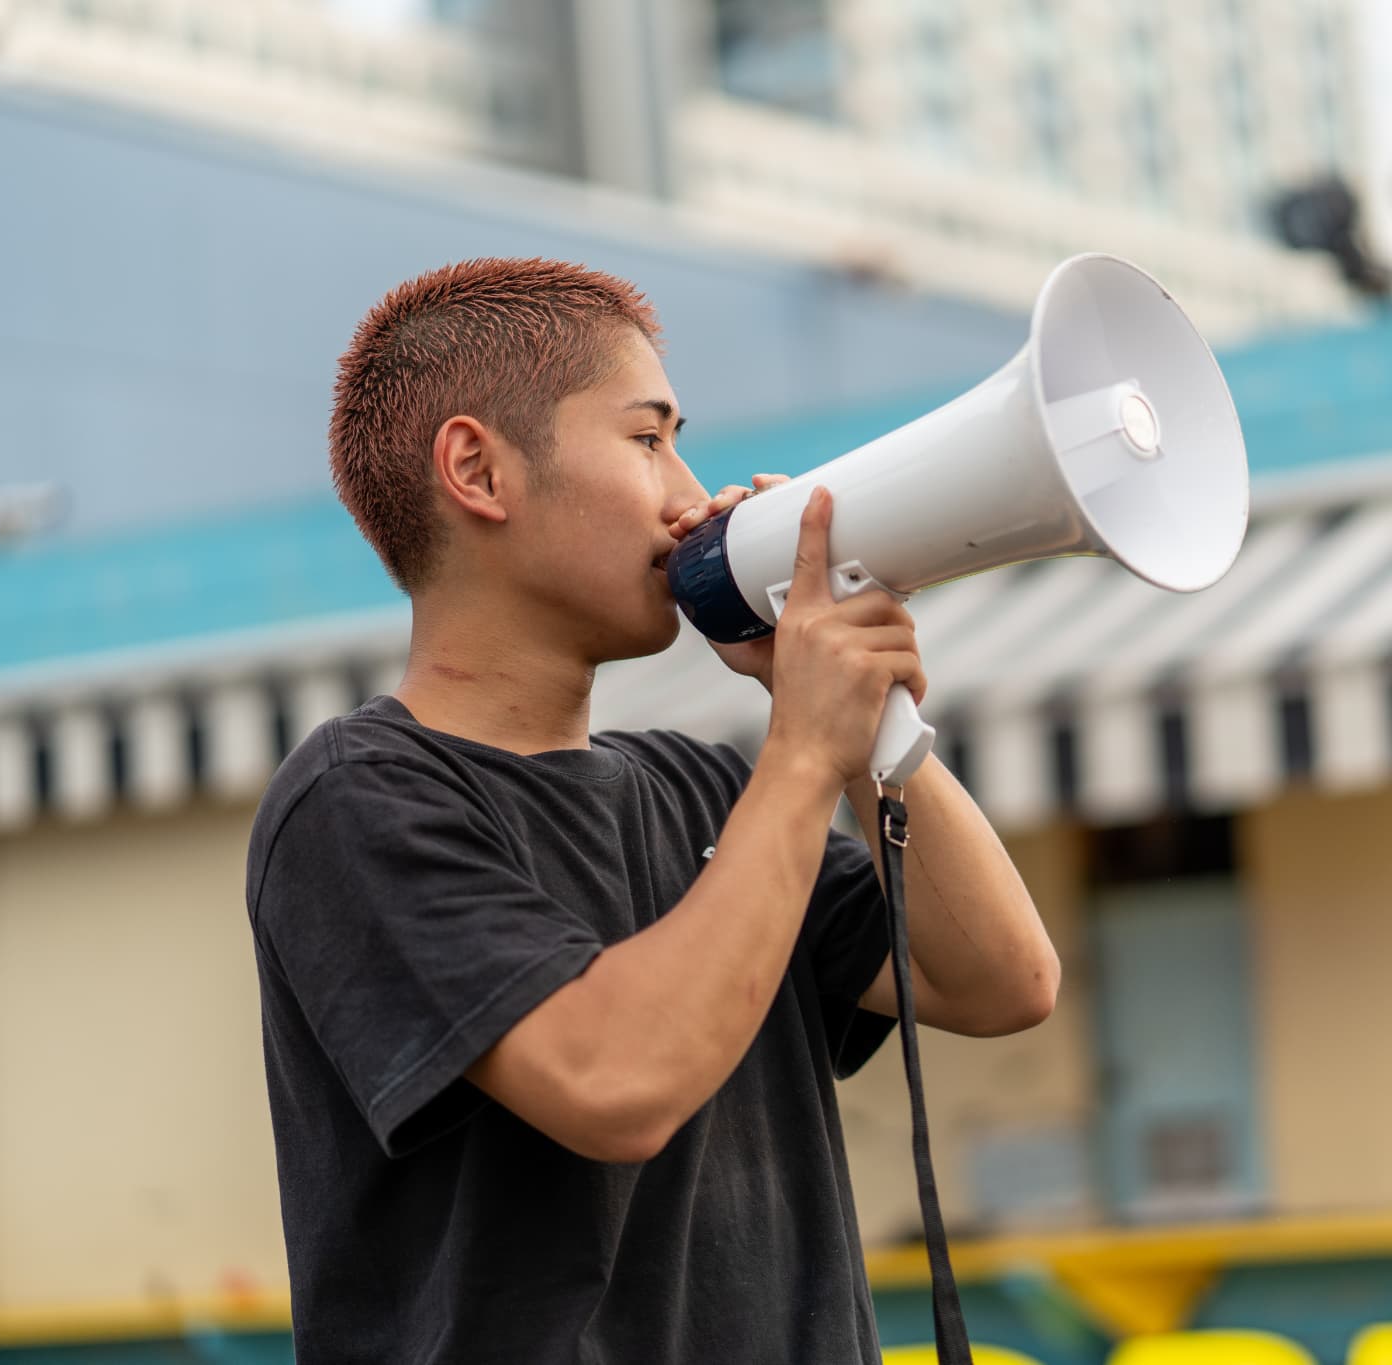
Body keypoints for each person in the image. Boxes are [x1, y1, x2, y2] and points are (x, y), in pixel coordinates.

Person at [244, 256, 1060, 1364]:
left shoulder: (707, 791)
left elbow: (1002, 980)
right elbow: (613, 1083)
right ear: (477, 470)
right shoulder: (356, 801)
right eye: (646, 438)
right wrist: (803, 745)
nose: (690, 494)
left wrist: (860, 728)